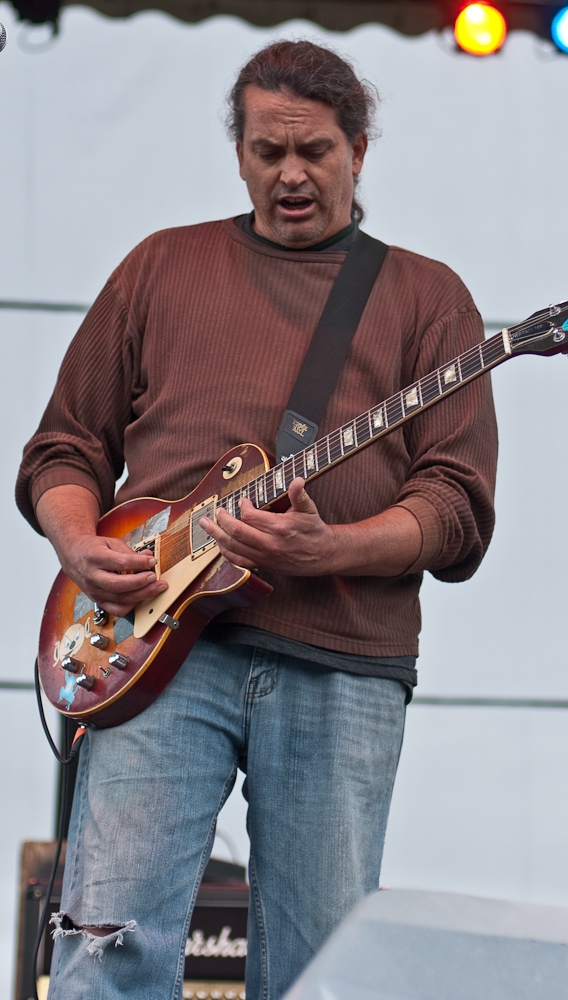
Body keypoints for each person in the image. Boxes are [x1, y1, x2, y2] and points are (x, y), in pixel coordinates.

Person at [16, 40, 498, 1000]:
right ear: (237, 153)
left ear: (359, 151)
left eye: (314, 151)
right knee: (108, 954)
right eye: (267, 151)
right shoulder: (161, 266)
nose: (290, 174)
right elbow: (64, 448)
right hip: (153, 657)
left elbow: (456, 512)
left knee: (324, 971)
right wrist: (79, 542)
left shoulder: (428, 296)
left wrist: (336, 547)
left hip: (345, 663)